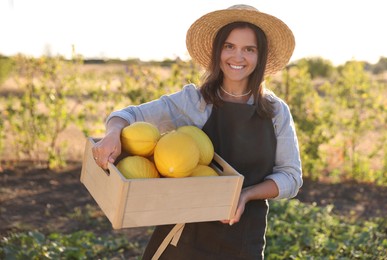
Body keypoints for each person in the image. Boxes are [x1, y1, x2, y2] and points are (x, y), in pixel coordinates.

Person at [92, 4, 302, 260]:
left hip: (243, 238)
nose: (238, 57)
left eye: (249, 49)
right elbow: (128, 115)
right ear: (218, 51)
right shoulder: (194, 101)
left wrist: (245, 195)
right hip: (184, 236)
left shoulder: (276, 111)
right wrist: (114, 132)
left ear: (260, 57)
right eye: (229, 46)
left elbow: (291, 177)